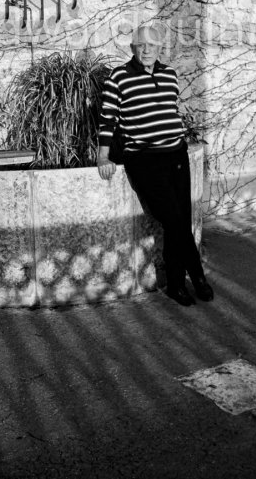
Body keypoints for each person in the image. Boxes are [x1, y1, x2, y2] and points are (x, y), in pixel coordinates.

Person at [97, 25, 213, 307]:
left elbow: (170, 109)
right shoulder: (119, 77)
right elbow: (108, 118)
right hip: (144, 158)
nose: (147, 49)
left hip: (176, 155)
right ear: (132, 48)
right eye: (141, 45)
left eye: (152, 44)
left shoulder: (169, 74)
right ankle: (194, 276)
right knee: (174, 220)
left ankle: (178, 283)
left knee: (181, 219)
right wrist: (103, 156)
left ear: (160, 47)